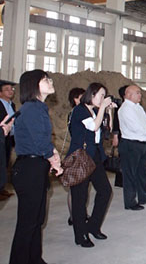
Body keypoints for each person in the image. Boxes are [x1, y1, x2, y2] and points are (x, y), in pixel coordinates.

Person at [9, 70, 63, 264]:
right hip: (29, 168)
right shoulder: (32, 108)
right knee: (28, 222)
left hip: (36, 165)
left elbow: (42, 139)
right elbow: (39, 141)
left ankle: (34, 259)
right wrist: (53, 159)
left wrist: (52, 153)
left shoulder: (39, 107)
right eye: (45, 79)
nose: (50, 81)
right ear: (33, 85)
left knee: (37, 219)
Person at [66, 83, 115, 247]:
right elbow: (93, 126)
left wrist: (108, 111)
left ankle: (93, 226)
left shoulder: (94, 111)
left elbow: (106, 130)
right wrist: (102, 108)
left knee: (105, 191)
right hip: (81, 157)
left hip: (94, 156)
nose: (103, 99)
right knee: (80, 198)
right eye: (101, 95)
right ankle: (80, 235)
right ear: (91, 95)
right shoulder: (79, 110)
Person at [117, 85, 146, 210]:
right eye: (138, 93)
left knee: (141, 172)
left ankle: (143, 197)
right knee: (130, 174)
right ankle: (130, 202)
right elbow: (134, 126)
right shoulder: (125, 109)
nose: (140, 95)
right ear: (129, 95)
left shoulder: (138, 107)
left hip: (141, 143)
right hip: (130, 144)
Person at [64, 87, 85, 227]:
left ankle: (79, 213)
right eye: (81, 97)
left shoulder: (82, 112)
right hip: (76, 153)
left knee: (82, 188)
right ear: (75, 99)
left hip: (83, 152)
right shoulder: (74, 113)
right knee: (74, 188)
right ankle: (73, 216)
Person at [0, 79, 16, 199]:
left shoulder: (12, 105)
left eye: (12, 89)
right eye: (7, 89)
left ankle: (2, 188)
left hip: (9, 139)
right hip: (1, 137)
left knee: (5, 162)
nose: (10, 91)